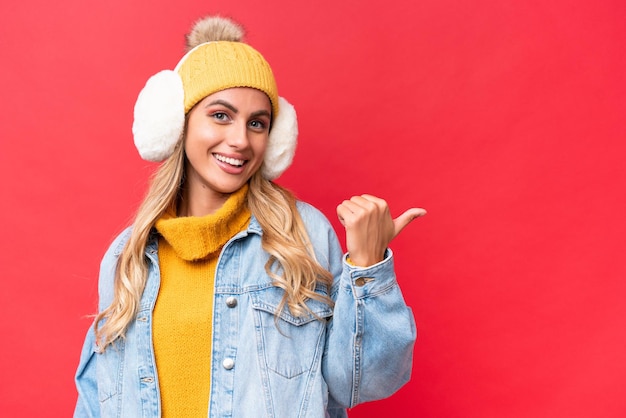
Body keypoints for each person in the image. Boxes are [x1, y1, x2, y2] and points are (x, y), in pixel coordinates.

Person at [74, 15, 425, 418]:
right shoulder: (127, 258)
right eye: (221, 116)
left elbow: (365, 382)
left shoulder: (303, 236)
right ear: (178, 122)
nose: (241, 140)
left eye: (257, 123)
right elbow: (95, 400)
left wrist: (367, 266)